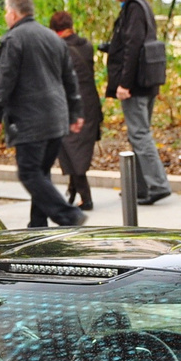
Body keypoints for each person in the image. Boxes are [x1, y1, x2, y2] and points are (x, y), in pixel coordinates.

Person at [0, 0, 87, 229]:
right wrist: (75, 112)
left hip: (30, 119)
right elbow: (69, 78)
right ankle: (37, 225)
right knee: (41, 173)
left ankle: (68, 215)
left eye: (5, 13)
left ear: (12, 13)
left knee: (29, 172)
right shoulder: (52, 38)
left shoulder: (14, 40)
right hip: (56, 118)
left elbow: (4, 79)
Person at [104, 0, 171, 205]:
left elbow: (132, 48)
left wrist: (124, 83)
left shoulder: (133, 9)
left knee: (139, 134)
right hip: (146, 82)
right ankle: (141, 188)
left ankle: (157, 185)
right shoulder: (141, 6)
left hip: (135, 85)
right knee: (138, 134)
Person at [49, 11, 101, 211]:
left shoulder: (60, 49)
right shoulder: (85, 46)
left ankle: (85, 197)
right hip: (90, 102)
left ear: (55, 30)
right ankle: (72, 192)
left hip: (71, 104)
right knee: (75, 148)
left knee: (71, 148)